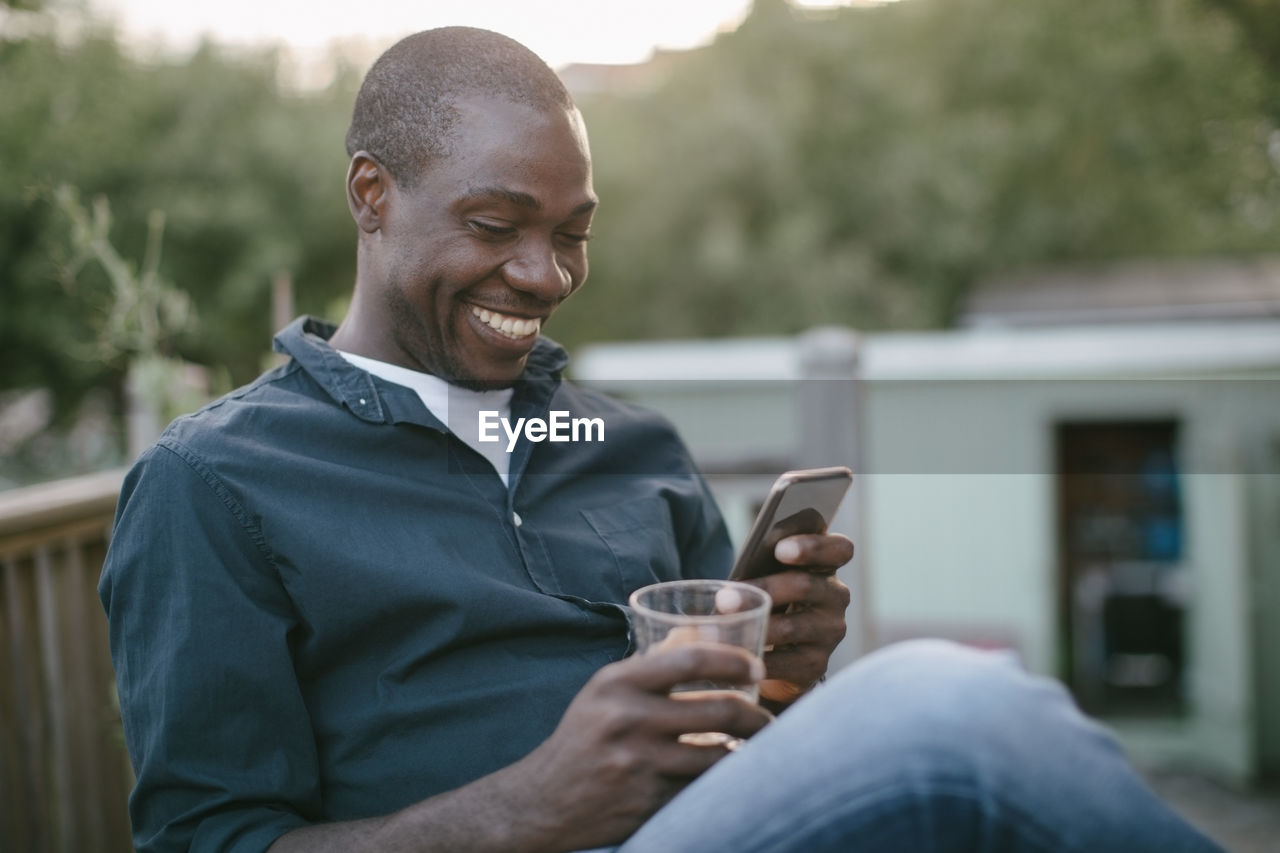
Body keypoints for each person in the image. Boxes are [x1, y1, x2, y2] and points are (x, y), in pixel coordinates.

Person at [99, 27, 1223, 853]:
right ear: (370, 195)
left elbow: (733, 737)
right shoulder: (215, 484)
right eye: (495, 227)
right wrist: (526, 806)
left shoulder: (629, 446)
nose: (543, 277)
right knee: (952, 715)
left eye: (571, 235)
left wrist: (781, 676)